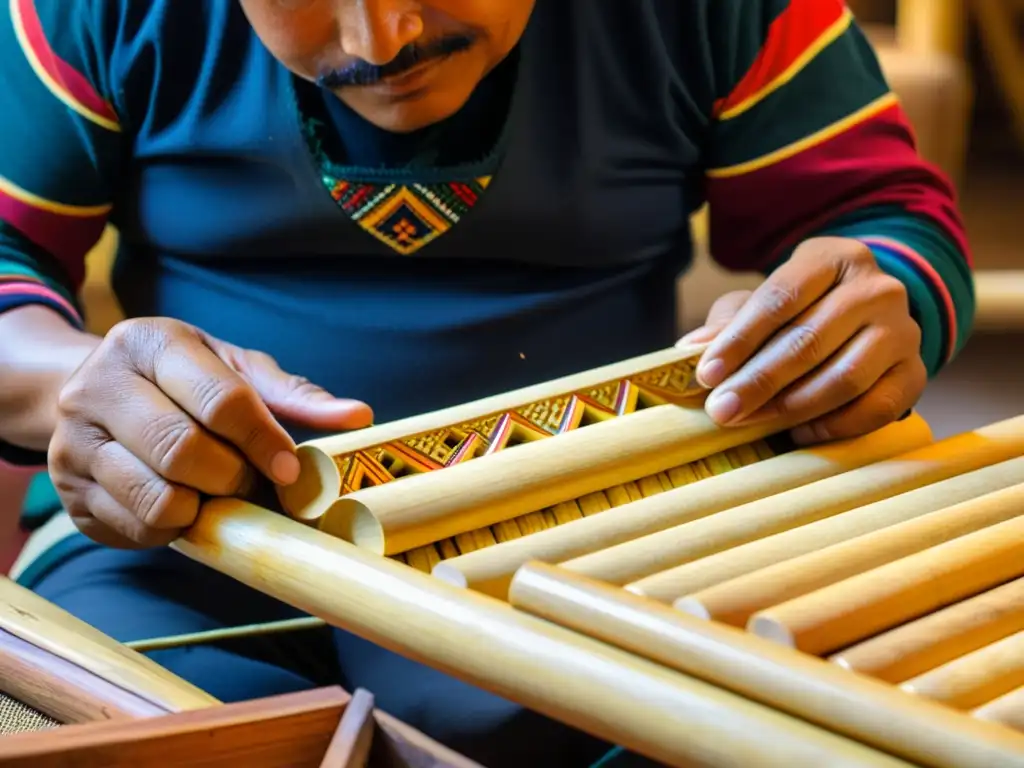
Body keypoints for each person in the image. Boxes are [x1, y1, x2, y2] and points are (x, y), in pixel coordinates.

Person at [0, 0, 973, 764]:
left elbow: (882, 218)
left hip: (612, 541)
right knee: (129, 729)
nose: (380, 36)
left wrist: (876, 305)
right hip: (182, 537)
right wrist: (78, 383)